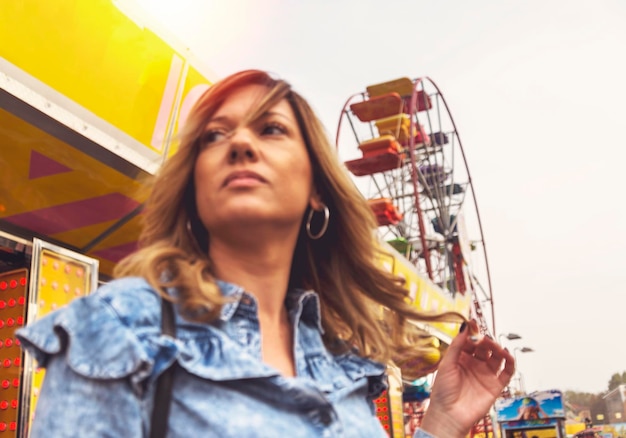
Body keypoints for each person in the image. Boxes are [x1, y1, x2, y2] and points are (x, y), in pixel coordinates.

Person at [16, 69, 514, 437]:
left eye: (271, 129)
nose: (240, 145)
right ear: (193, 189)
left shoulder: (345, 361)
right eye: (215, 136)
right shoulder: (121, 326)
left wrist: (442, 422)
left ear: (317, 188)